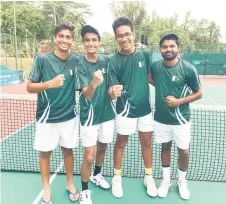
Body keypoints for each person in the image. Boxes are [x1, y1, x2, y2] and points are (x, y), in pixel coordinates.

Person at [27, 23, 85, 203]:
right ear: (55, 38)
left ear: (72, 41)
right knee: (45, 153)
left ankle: (69, 183)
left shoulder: (76, 60)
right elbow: (29, 87)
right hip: (47, 117)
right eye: (61, 36)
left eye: (68, 37)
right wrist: (50, 83)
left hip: (69, 117)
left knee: (68, 150)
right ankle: (46, 187)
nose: (64, 40)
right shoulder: (42, 59)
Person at [107, 16, 157, 198]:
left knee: (146, 145)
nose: (124, 38)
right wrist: (114, 92)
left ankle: (149, 177)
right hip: (125, 112)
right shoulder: (113, 61)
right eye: (120, 36)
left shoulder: (145, 54)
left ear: (133, 34)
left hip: (145, 111)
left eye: (127, 34)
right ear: (116, 38)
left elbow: (152, 78)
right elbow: (111, 91)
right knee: (120, 145)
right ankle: (117, 178)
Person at [148, 33, 202, 200]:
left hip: (181, 119)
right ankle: (166, 181)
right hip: (160, 118)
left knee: (183, 151)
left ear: (178, 48)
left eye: (172, 46)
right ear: (160, 49)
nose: (168, 49)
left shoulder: (188, 69)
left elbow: (199, 93)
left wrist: (179, 101)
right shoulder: (155, 66)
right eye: (164, 46)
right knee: (165, 148)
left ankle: (182, 181)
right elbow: (150, 78)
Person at [78, 25, 115, 204]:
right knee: (89, 156)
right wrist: (94, 83)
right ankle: (85, 190)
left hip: (107, 114)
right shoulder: (80, 64)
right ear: (83, 43)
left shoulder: (108, 60)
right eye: (87, 40)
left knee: (103, 147)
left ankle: (97, 175)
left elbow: (124, 59)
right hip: (90, 117)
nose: (91, 43)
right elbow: (86, 94)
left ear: (99, 42)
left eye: (94, 39)